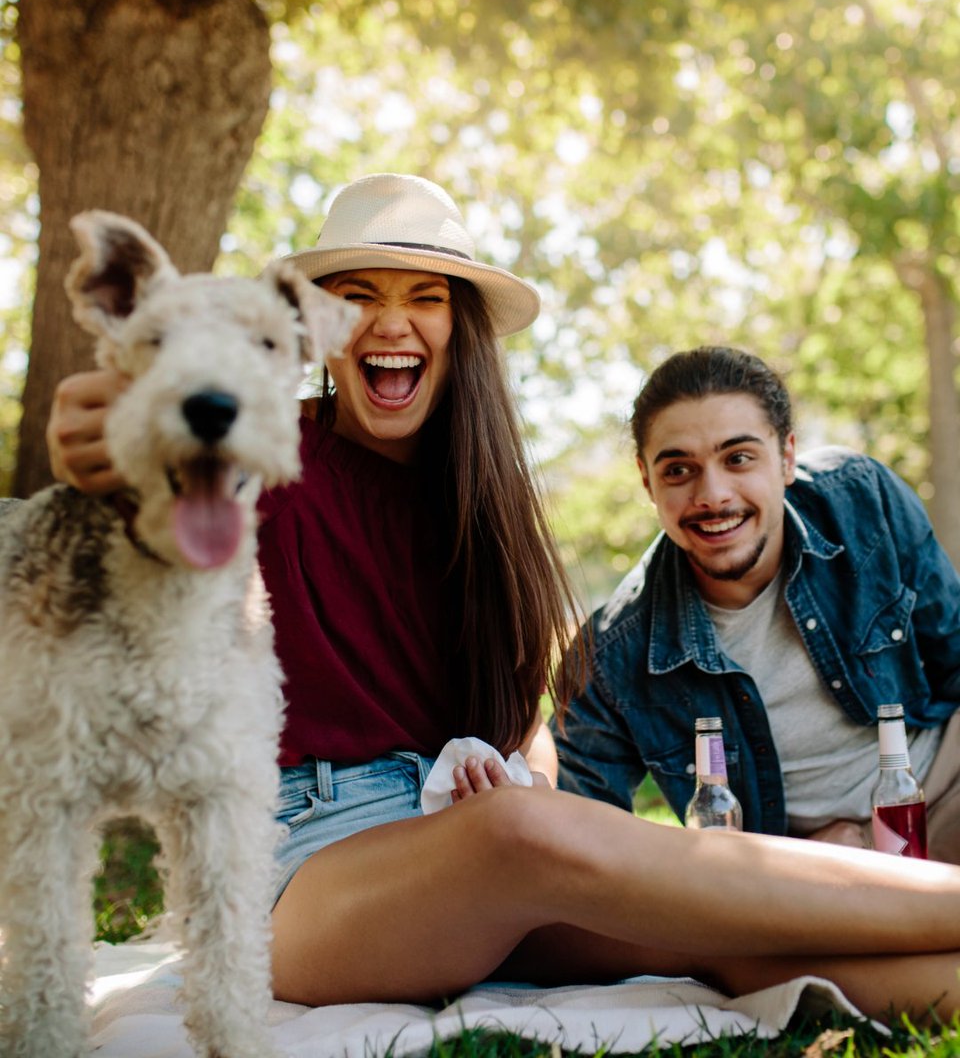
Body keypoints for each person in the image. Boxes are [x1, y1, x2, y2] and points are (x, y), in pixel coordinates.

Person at [47, 176, 960, 1022]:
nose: (388, 323)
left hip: (460, 836)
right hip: (294, 872)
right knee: (527, 832)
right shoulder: (258, 444)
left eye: (425, 297)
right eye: (356, 295)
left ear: (463, 326)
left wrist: (509, 765)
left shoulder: (487, 503)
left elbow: (528, 731)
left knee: (724, 946)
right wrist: (101, 443)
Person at [554, 346, 960, 862]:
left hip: (941, 789)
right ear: (646, 481)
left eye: (738, 458)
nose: (713, 494)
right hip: (811, 866)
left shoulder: (862, 500)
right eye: (679, 470)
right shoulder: (614, 654)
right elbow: (576, 830)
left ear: (786, 456)